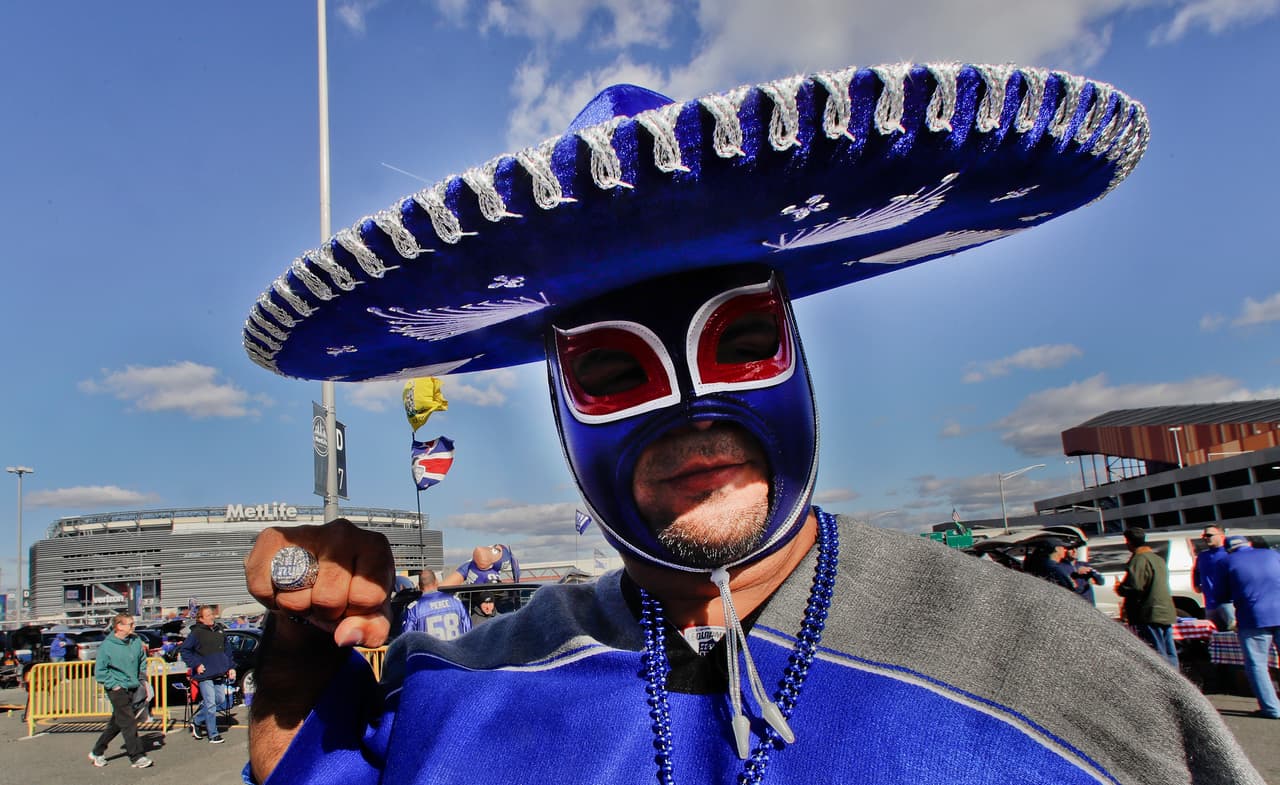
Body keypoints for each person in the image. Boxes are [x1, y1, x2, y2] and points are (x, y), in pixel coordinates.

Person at [239, 63, 1264, 784]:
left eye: (736, 342)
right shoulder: (467, 695)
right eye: (612, 368)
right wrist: (295, 667)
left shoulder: (1058, 684)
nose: (691, 410)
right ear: (558, 405)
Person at [1220, 535, 1280, 719]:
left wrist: (1230, 621)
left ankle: (1272, 709)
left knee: (1257, 665)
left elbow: (1222, 597)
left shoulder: (1226, 562)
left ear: (1229, 548)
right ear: (1248, 544)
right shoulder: (1272, 554)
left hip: (1252, 617)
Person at [88, 613, 154, 769]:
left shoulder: (135, 640)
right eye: (130, 624)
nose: (133, 626)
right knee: (129, 722)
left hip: (133, 685)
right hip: (117, 688)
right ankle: (136, 756)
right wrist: (113, 684)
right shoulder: (107, 646)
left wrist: (142, 680)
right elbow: (100, 671)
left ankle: (97, 751)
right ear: (119, 626)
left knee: (118, 723)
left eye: (133, 623)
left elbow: (141, 661)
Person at [1115, 527, 1180, 668]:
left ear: (1129, 542)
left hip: (1149, 612)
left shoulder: (1139, 559)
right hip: (1165, 611)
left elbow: (1136, 586)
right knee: (1169, 651)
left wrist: (1120, 588)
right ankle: (1177, 683)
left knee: (1158, 653)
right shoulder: (1158, 559)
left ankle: (1165, 685)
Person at [180, 605, 236, 744]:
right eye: (208, 615)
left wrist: (231, 667)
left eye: (212, 614)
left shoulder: (220, 630)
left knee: (220, 700)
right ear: (201, 619)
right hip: (204, 673)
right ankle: (213, 734)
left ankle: (197, 721)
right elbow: (185, 650)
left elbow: (227, 651)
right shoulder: (196, 633)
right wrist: (196, 665)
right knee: (210, 703)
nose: (212, 617)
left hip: (219, 671)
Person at [399, 571, 471, 641]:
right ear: (436, 582)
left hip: (430, 652)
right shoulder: (456, 602)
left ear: (419, 586)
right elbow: (469, 631)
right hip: (454, 651)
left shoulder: (414, 609)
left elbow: (407, 639)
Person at [1193, 525, 1235, 631]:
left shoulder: (1229, 554)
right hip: (1210, 603)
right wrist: (1196, 584)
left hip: (1228, 603)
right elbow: (1196, 570)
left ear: (1221, 536)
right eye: (1204, 536)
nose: (1205, 538)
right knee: (1215, 634)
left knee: (1234, 630)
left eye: (1209, 535)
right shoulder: (1202, 556)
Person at [439, 544, 521, 586]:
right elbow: (445, 586)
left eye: (496, 550)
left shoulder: (490, 575)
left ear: (491, 565)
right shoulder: (470, 564)